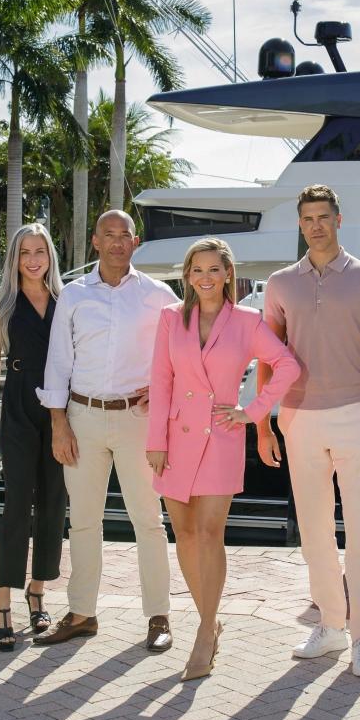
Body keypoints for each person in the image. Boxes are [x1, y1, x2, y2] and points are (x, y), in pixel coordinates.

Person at [257, 184, 360, 678]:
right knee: (314, 531)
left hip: (354, 414)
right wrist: (265, 421)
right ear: (300, 225)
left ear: (339, 220)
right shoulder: (279, 284)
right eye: (308, 218)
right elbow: (267, 358)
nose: (316, 225)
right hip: (298, 418)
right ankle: (331, 626)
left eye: (324, 216)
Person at [146, 238, 300, 680]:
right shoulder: (170, 318)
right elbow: (161, 381)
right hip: (174, 439)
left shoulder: (248, 321)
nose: (206, 277)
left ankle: (203, 633)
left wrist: (252, 412)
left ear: (228, 274)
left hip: (221, 437)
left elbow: (287, 365)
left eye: (215, 269)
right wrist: (155, 441)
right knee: (185, 535)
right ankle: (211, 620)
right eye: (198, 269)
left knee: (210, 534)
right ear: (187, 274)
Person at [35, 210, 178, 651]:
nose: (117, 242)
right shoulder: (74, 296)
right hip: (83, 417)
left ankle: (159, 617)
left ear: (136, 243)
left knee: (148, 521)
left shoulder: (160, 296)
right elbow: (59, 361)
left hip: (138, 421)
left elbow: (179, 357)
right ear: (95, 241)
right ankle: (81, 614)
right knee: (82, 522)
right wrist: (59, 423)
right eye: (108, 235)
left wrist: (160, 392)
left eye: (125, 235)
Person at [0, 225, 65, 651]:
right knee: (16, 504)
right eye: (25, 252)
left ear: (50, 255)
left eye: (40, 251)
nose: (33, 259)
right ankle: (1, 604)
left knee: (53, 501)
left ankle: (37, 592)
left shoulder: (66, 300)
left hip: (60, 408)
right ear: (14, 257)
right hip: (15, 403)